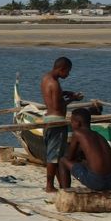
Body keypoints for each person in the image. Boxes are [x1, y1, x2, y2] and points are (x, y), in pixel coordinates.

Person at [40, 57, 83, 192]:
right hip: (56, 122)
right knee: (53, 156)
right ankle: (49, 186)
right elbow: (58, 106)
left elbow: (54, 95)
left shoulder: (46, 79)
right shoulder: (55, 84)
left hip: (47, 120)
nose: (68, 75)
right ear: (61, 69)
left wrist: (66, 93)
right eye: (68, 72)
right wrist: (73, 99)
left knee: (55, 155)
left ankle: (60, 184)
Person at [59, 108, 111, 191]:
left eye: (72, 121)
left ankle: (66, 192)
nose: (71, 124)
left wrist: (77, 155)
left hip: (97, 182)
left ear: (78, 123)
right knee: (85, 162)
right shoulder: (98, 135)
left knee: (62, 161)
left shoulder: (78, 133)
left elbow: (70, 157)